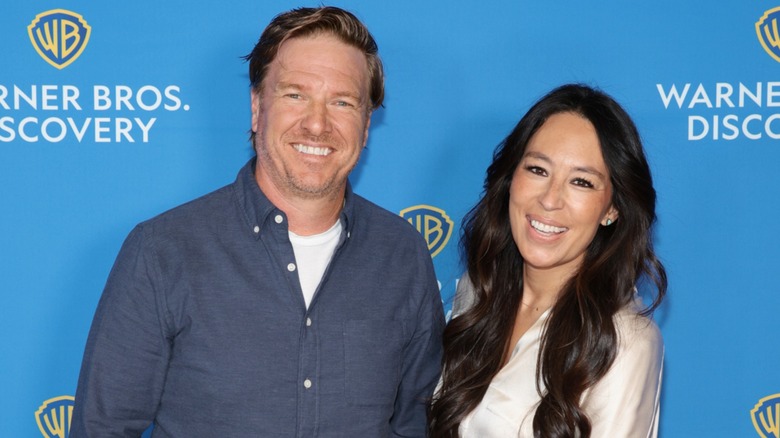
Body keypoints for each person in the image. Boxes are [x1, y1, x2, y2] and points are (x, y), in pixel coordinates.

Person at [71, 6, 444, 437]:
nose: (317, 124)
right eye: (295, 95)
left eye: (342, 102)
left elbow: (414, 427)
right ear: (256, 108)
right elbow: (101, 428)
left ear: (365, 126)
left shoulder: (403, 253)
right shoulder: (163, 251)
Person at [429, 84, 667, 438]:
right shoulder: (476, 294)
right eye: (538, 170)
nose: (550, 199)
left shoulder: (626, 341)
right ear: (511, 178)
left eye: (581, 182)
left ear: (612, 209)